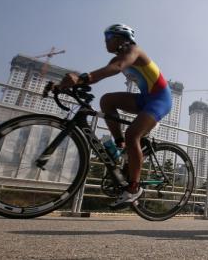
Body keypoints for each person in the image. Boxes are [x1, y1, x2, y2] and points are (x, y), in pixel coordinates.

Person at [59, 23, 172, 210]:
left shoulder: (134, 51)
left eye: (108, 38)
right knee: (107, 101)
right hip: (145, 98)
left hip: (160, 99)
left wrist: (82, 78)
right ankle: (120, 144)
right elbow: (108, 69)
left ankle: (134, 188)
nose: (105, 43)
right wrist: (62, 84)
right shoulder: (119, 56)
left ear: (121, 38)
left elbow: (117, 67)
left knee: (133, 135)